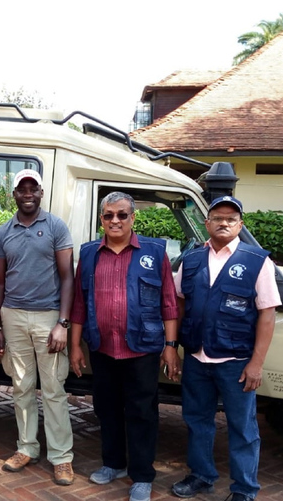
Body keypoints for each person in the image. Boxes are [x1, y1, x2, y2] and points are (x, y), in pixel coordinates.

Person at [69, 192, 180, 501]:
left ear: (133, 218)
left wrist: (170, 346)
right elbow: (80, 302)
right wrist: (75, 345)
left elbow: (169, 303)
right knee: (105, 408)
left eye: (121, 215)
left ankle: (142, 475)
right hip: (102, 348)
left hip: (142, 348)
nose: (114, 220)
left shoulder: (155, 252)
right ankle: (113, 464)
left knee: (142, 411)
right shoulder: (89, 253)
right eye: (108, 215)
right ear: (101, 219)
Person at [171, 196, 281, 501]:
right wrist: (174, 347)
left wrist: (256, 363)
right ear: (206, 224)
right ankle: (201, 476)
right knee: (197, 420)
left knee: (243, 428)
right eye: (217, 217)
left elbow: (267, 314)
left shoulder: (257, 261)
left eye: (231, 219)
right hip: (196, 357)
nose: (223, 223)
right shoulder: (191, 260)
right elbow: (179, 303)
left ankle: (245, 490)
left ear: (240, 225)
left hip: (236, 361)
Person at [0, 169, 76, 486]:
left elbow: (68, 277)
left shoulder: (55, 226)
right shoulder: (4, 232)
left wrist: (62, 323)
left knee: (54, 390)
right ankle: (26, 447)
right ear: (14, 194)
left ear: (41, 192)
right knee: (21, 387)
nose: (27, 193)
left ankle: (62, 458)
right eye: (21, 189)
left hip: (49, 317)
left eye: (33, 188)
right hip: (12, 317)